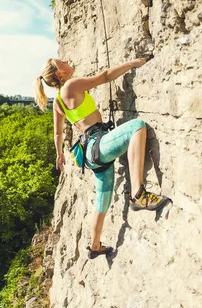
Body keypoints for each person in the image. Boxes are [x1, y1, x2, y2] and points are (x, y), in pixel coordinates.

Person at [33, 58, 166, 259]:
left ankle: (95, 246)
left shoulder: (58, 101)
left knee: (102, 199)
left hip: (90, 153)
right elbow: (104, 77)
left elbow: (58, 133)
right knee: (137, 126)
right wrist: (131, 64)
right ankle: (138, 194)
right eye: (63, 62)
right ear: (59, 73)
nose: (68, 61)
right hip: (98, 144)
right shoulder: (70, 85)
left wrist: (59, 153)